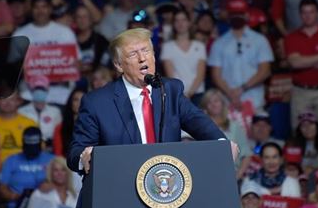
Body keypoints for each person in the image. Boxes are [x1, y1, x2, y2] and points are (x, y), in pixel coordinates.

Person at [68, 28, 237, 173]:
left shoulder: (170, 90)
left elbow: (198, 122)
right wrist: (84, 158)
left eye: (146, 51)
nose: (142, 58)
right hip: (120, 187)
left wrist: (222, 144)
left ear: (154, 56)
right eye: (133, 54)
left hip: (165, 187)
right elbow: (75, 153)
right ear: (119, 65)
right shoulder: (97, 102)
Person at [284, 0, 318, 135]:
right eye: (304, 12)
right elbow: (294, 63)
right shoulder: (292, 37)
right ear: (300, 15)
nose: (308, 16)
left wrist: (303, 60)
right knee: (299, 134)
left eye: (311, 12)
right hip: (300, 93)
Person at [208, 0, 273, 110]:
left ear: (247, 15)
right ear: (228, 16)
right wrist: (231, 94)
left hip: (254, 100)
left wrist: (242, 89)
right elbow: (216, 75)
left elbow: (265, 71)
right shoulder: (219, 43)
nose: (237, 17)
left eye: (240, 13)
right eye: (233, 14)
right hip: (228, 102)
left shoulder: (260, 40)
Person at [0, 127, 54, 208]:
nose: (32, 151)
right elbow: (2, 188)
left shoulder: (52, 160)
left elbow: (65, 184)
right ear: (23, 143)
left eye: (34, 147)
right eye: (29, 147)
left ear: (41, 143)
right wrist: (16, 197)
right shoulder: (11, 160)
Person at [199, 89, 250, 176]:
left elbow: (246, 154)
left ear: (222, 104)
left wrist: (238, 176)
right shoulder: (199, 128)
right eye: (209, 102)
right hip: (206, 174)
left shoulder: (234, 126)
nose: (213, 104)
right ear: (205, 107)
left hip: (231, 173)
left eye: (216, 101)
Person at [160, 9, 207, 103]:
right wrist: (183, 94)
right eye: (177, 20)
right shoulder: (167, 47)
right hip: (177, 95)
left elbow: (200, 74)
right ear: (173, 24)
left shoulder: (200, 46)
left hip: (198, 94)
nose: (180, 23)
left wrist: (190, 93)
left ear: (189, 23)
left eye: (183, 20)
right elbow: (171, 75)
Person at [0, 93, 37, 164]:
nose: (8, 103)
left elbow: (38, 149)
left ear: (18, 101)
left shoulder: (29, 123)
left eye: (12, 99)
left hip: (24, 167)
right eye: (4, 99)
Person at [18, 76, 62, 146]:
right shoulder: (21, 111)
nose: (39, 91)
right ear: (31, 91)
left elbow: (59, 133)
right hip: (29, 146)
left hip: (50, 147)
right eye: (36, 89)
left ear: (47, 90)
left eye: (42, 89)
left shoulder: (55, 111)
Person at [53, 88, 87, 158]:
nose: (79, 103)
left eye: (82, 100)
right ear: (71, 102)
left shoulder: (94, 126)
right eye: (76, 100)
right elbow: (58, 155)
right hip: (66, 166)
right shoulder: (60, 128)